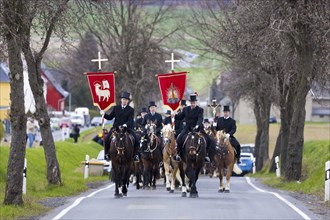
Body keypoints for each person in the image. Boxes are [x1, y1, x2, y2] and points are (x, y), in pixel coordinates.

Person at [174, 94, 214, 162]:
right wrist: (174, 115)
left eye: (194, 103)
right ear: (190, 103)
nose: (192, 104)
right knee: (179, 138)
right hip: (187, 128)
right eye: (191, 103)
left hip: (198, 128)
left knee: (209, 139)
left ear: (196, 102)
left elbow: (200, 118)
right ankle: (179, 154)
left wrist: (197, 125)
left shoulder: (200, 109)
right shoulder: (185, 109)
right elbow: (180, 117)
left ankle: (206, 155)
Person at [103, 91, 140, 162]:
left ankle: (136, 155)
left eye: (126, 100)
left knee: (136, 139)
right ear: (121, 100)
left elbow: (130, 120)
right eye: (123, 99)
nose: (124, 101)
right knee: (107, 139)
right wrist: (103, 114)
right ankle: (107, 154)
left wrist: (125, 124)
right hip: (116, 128)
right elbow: (110, 117)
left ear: (128, 101)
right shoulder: (116, 108)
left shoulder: (131, 110)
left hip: (126, 128)